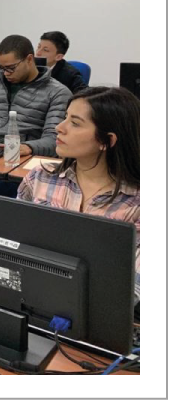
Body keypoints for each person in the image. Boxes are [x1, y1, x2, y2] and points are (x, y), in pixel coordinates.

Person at [17, 87, 140, 300]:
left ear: (107, 141)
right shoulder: (40, 177)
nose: (59, 128)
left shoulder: (137, 202)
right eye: (65, 117)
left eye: (75, 123)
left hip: (98, 305)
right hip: (33, 294)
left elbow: (136, 288)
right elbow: (13, 239)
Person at [0, 34, 72, 158]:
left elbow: (55, 139)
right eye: (2, 68)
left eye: (11, 68)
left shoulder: (58, 93)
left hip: (28, 156)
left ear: (29, 59)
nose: (6, 73)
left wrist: (29, 147)